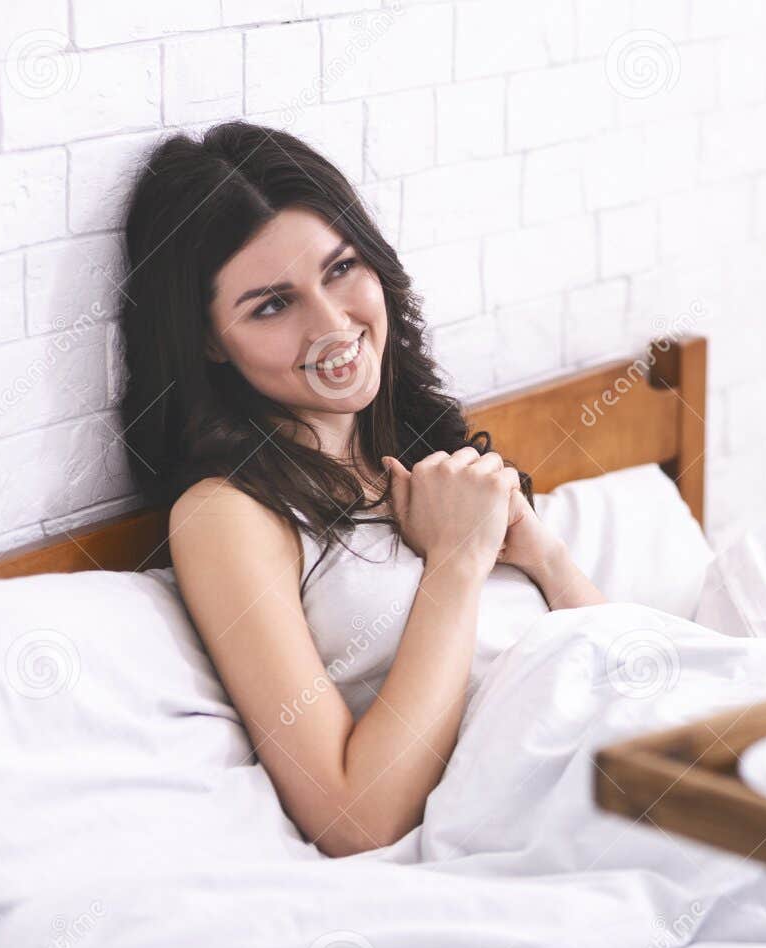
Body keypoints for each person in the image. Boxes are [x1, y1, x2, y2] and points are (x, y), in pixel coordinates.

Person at [117, 121, 604, 858]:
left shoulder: (418, 455)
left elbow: (631, 654)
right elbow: (353, 819)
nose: (332, 323)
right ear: (210, 340)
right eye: (272, 306)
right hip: (567, 800)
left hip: (640, 734)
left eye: (341, 268)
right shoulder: (229, 514)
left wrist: (544, 558)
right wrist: (455, 564)